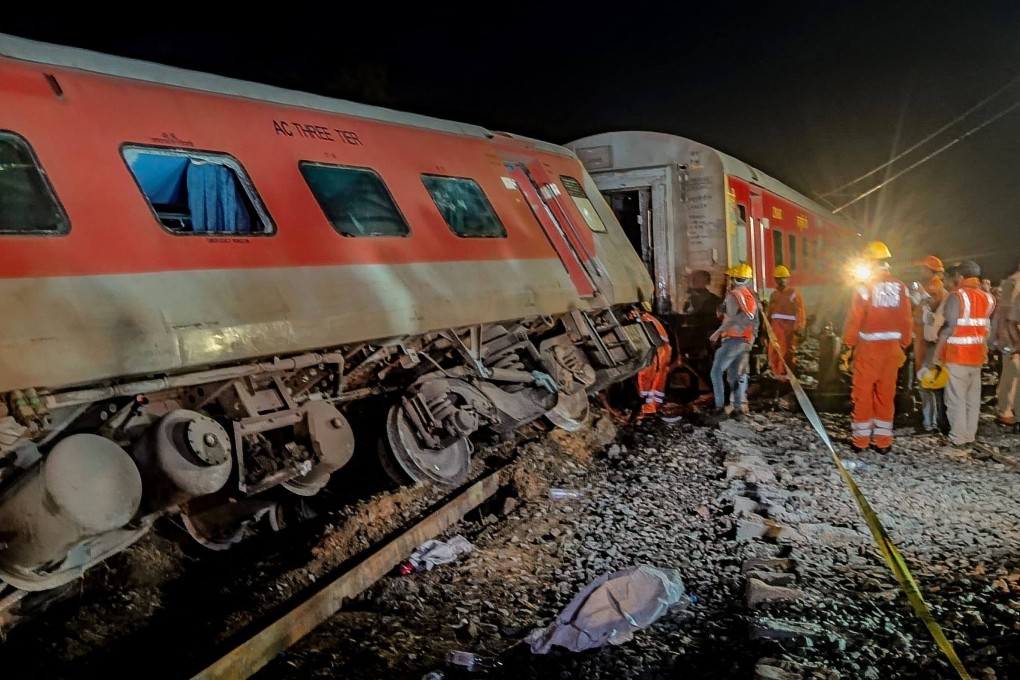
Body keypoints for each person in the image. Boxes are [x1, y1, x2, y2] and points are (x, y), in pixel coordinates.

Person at [842, 241, 913, 453]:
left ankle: (861, 442)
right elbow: (907, 319)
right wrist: (903, 344)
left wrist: (847, 346)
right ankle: (883, 442)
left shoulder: (864, 288)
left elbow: (855, 320)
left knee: (863, 394)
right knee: (886, 394)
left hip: (869, 349)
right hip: (892, 350)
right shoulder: (901, 287)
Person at [930, 260, 996, 453]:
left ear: (960, 276)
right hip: (977, 357)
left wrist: (936, 354)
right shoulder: (989, 298)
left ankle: (957, 441)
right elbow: (985, 330)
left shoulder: (956, 297)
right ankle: (969, 437)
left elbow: (949, 328)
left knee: (955, 400)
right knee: (972, 400)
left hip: (957, 356)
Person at [708, 263, 758, 418]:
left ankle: (719, 408)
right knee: (736, 375)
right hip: (744, 341)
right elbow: (755, 321)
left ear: (736, 279)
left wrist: (716, 333)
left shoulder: (734, 296)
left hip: (732, 340)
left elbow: (729, 319)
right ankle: (737, 409)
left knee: (716, 372)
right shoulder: (751, 296)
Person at [910, 255, 947, 433]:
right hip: (924, 339)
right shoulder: (932, 286)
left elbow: (928, 310)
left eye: (923, 268)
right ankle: (934, 420)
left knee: (926, 381)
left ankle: (930, 423)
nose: (920, 271)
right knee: (929, 381)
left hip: (927, 341)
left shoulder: (933, 286)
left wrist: (917, 299)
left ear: (930, 270)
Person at [766, 265, 806, 382]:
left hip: (787, 328)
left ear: (787, 279)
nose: (781, 280)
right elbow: (770, 311)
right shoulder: (774, 294)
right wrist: (766, 328)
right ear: (775, 280)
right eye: (779, 278)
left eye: (784, 278)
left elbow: (800, 310)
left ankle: (786, 375)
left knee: (786, 351)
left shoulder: (793, 293)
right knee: (774, 351)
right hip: (775, 327)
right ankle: (777, 374)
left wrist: (799, 327)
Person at [992, 259, 1020, 426]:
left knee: (1013, 376)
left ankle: (1009, 410)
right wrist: (1007, 339)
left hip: (1012, 335)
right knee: (1011, 375)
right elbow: (1006, 314)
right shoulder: (1014, 282)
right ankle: (1006, 411)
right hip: (1012, 336)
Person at [633, 305, 673, 418]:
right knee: (649, 380)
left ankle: (650, 407)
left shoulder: (647, 320)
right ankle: (647, 405)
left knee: (655, 383)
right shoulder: (649, 319)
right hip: (657, 354)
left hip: (658, 354)